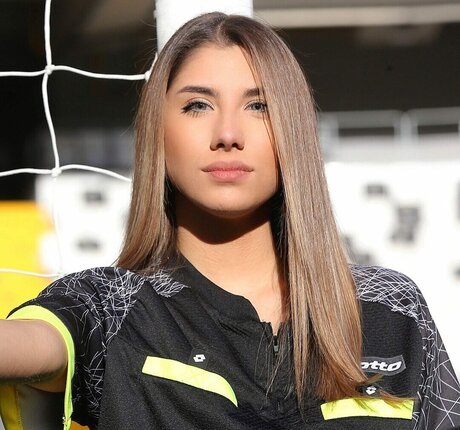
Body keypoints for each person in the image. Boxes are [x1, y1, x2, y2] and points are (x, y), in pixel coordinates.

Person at [1, 12, 459, 430]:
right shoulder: (112, 307)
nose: (227, 135)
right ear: (157, 129)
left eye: (259, 106)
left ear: (294, 129)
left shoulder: (391, 308)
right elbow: (27, 344)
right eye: (198, 105)